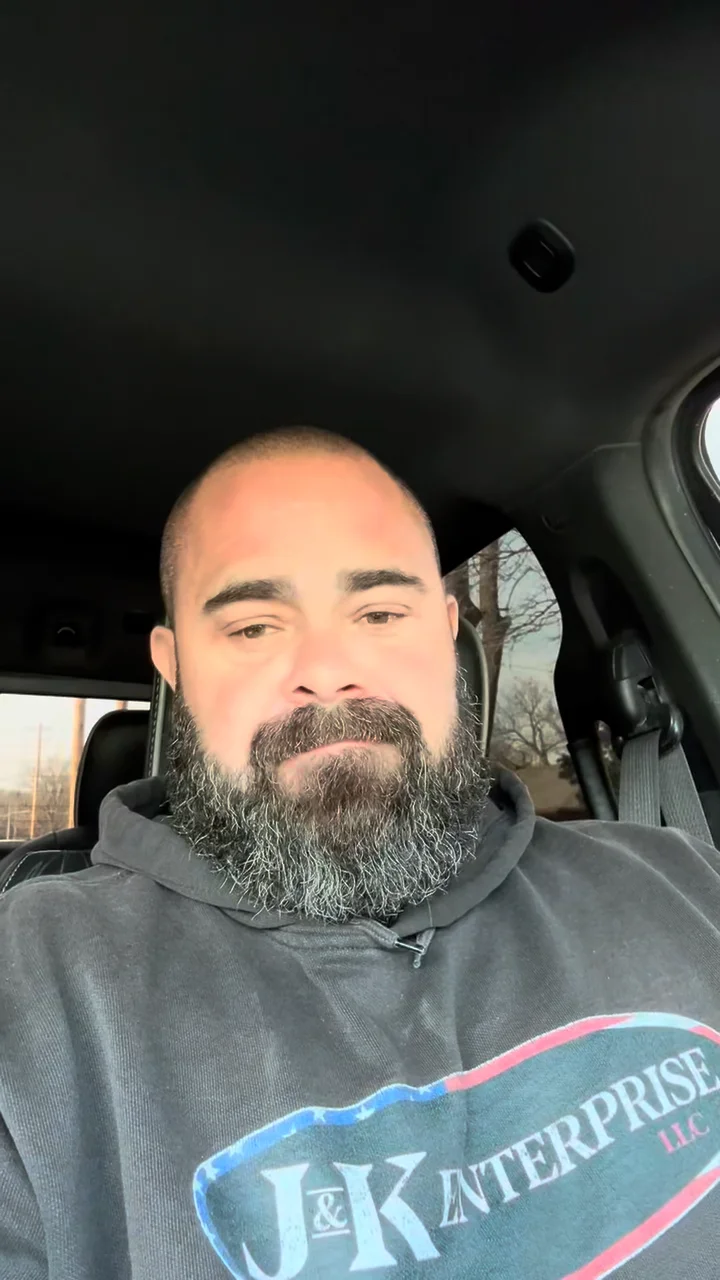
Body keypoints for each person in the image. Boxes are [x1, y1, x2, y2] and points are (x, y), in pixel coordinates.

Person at [2, 427, 720, 1280]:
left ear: (446, 634)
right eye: (254, 626)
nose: (327, 671)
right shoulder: (33, 983)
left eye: (379, 613)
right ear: (175, 666)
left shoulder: (681, 879)